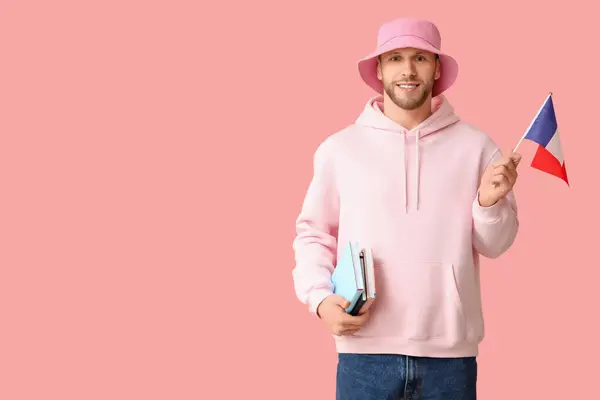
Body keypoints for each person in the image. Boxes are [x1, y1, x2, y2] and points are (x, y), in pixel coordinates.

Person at [292, 17, 521, 399]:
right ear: (379, 70)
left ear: (437, 69)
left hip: (450, 356)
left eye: (420, 58)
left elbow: (496, 245)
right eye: (395, 58)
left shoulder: (478, 147)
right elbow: (313, 233)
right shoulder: (339, 149)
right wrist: (318, 299)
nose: (408, 70)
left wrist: (488, 203)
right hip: (364, 353)